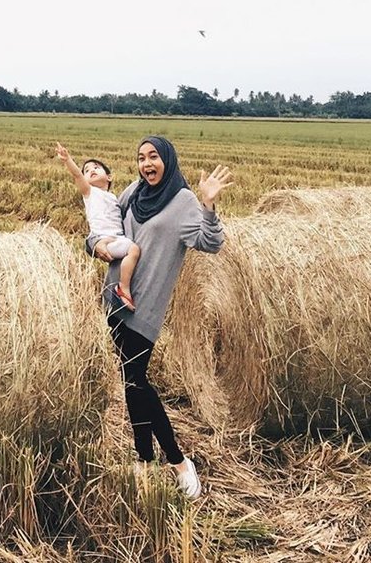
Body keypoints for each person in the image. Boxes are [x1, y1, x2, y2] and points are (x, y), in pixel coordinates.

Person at [87, 135, 233, 500]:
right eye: (141, 158)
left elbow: (211, 242)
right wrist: (95, 245)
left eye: (153, 156)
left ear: (167, 159)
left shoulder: (182, 200)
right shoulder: (134, 192)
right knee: (132, 382)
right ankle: (144, 458)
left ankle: (179, 461)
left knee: (136, 380)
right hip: (116, 297)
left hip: (146, 306)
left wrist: (209, 205)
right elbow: (102, 227)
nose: (146, 164)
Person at [55, 143, 140, 310]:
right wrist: (67, 160)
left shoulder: (113, 198)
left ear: (109, 177)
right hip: (103, 239)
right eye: (87, 170)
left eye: (96, 167)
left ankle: (122, 285)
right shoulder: (89, 193)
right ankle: (123, 288)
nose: (91, 170)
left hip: (116, 238)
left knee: (133, 250)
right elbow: (77, 175)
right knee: (134, 250)